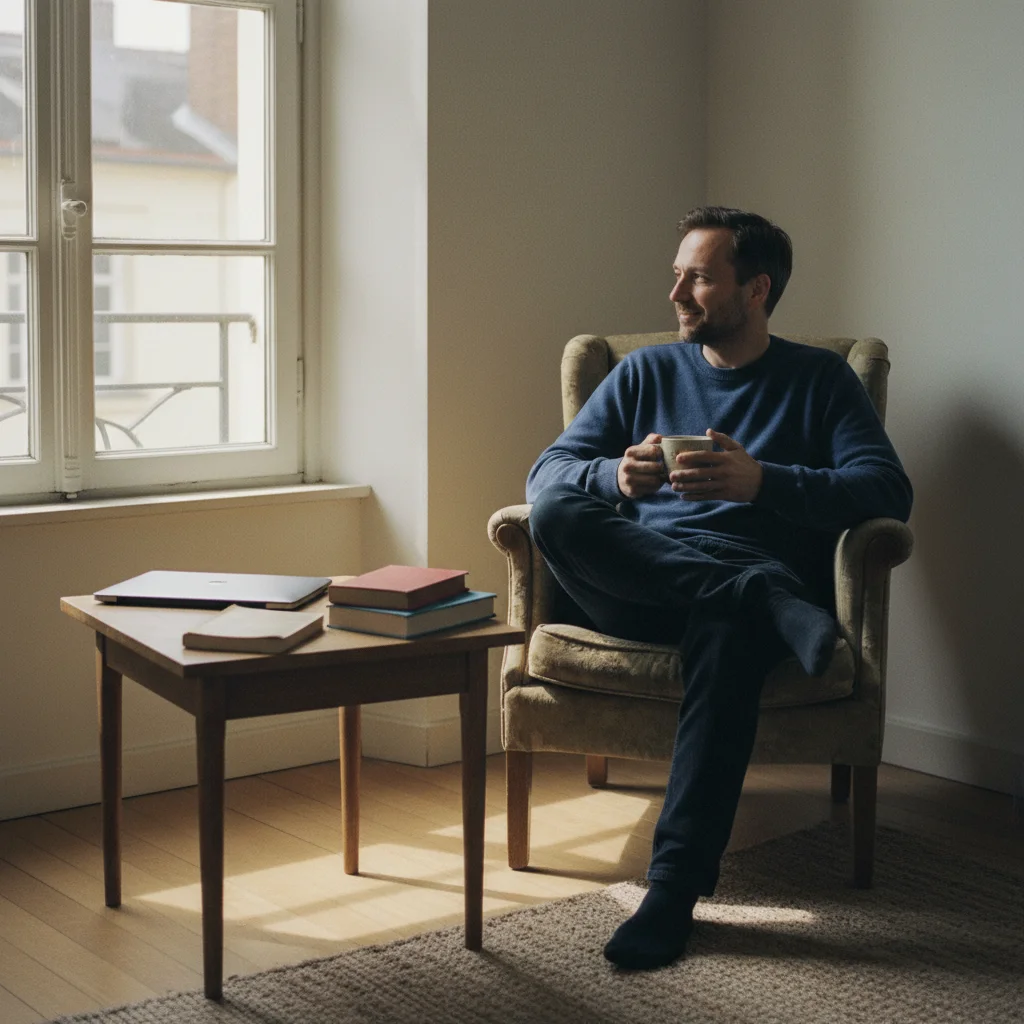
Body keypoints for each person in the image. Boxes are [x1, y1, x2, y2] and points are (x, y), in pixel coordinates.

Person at [525, 206, 913, 970]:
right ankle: (757, 595)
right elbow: (548, 475)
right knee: (556, 511)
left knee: (729, 629)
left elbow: (886, 491)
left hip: (735, 589)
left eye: (698, 278)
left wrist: (764, 481)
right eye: (678, 275)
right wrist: (614, 474)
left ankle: (671, 892)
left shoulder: (820, 380)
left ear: (756, 289)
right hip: (639, 582)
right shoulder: (642, 373)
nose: (676, 293)